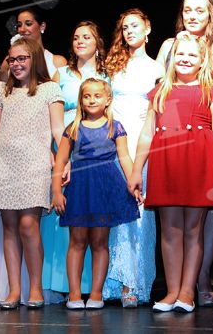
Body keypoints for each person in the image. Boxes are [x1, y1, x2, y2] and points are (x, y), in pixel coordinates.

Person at [129, 34, 213, 313]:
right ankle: (172, 291)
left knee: (193, 230)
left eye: (192, 55)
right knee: (170, 230)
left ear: (203, 61)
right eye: (180, 54)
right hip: (166, 163)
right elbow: (147, 133)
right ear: (172, 59)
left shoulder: (212, 92)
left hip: (199, 164)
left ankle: (187, 292)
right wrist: (136, 170)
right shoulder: (160, 91)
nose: (185, 59)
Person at [155, 0, 213, 306]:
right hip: (175, 136)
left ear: (210, 15)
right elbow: (160, 83)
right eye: (187, 9)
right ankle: (181, 285)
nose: (192, 15)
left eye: (199, 10)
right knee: (175, 220)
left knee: (206, 216)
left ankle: (200, 278)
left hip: (208, 129)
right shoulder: (170, 45)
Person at [0, 37, 65, 310]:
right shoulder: (4, 93)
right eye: (12, 59)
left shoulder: (49, 89)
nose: (16, 64)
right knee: (10, 227)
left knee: (29, 224)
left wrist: (64, 161)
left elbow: (58, 129)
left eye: (22, 58)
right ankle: (14, 290)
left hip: (34, 164)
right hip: (4, 165)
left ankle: (35, 288)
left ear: (34, 59)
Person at [52, 78, 140, 310]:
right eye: (87, 96)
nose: (91, 100)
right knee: (77, 241)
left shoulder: (115, 127)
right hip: (80, 188)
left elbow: (124, 157)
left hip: (105, 189)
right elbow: (60, 161)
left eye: (97, 96)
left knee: (100, 243)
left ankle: (96, 294)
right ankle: (74, 295)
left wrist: (133, 181)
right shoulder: (73, 128)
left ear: (108, 100)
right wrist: (56, 191)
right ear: (81, 100)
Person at [41, 20, 107, 299]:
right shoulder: (61, 74)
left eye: (87, 37)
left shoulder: (107, 74)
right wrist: (56, 152)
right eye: (76, 37)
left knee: (93, 223)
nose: (80, 41)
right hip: (63, 143)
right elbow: (48, 112)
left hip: (94, 150)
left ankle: (91, 288)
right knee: (61, 215)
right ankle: (59, 285)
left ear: (97, 43)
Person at [102, 9, 163, 307]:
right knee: (115, 211)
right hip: (114, 140)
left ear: (147, 28)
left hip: (142, 138)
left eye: (135, 25)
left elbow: (160, 108)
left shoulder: (157, 67)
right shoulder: (114, 66)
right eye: (125, 27)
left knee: (138, 210)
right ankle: (113, 283)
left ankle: (134, 282)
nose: (129, 31)